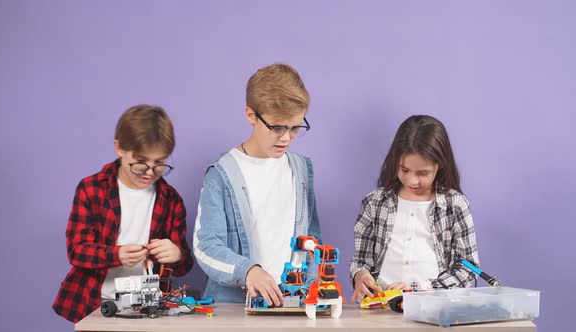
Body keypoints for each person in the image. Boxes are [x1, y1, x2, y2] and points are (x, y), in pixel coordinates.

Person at [193, 63, 321, 306]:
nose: (286, 137)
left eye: (295, 128)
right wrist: (248, 270)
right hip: (235, 308)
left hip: (292, 304)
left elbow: (312, 238)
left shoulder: (302, 170)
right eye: (277, 127)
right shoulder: (222, 173)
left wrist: (312, 287)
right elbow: (205, 246)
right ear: (251, 115)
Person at [53, 104, 193, 322]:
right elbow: (76, 250)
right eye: (140, 163)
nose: (149, 172)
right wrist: (115, 255)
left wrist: (177, 255)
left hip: (149, 309)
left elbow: (184, 266)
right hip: (95, 304)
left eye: (160, 163)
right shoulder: (92, 189)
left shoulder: (170, 199)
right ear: (119, 148)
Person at [350, 115, 480, 303]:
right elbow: (361, 260)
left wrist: (421, 289)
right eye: (404, 170)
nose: (412, 180)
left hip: (435, 308)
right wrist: (359, 275)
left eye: (423, 173)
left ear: (440, 165)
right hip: (382, 308)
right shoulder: (374, 202)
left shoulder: (455, 205)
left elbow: (469, 269)